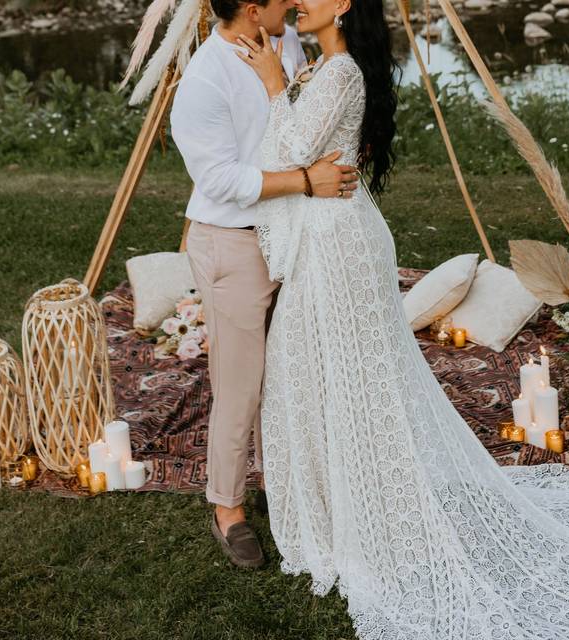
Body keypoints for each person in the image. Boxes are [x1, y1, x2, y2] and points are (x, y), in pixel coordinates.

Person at [235, 0, 569, 636]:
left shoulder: (343, 71)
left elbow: (291, 150)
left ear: (345, 5)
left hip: (339, 245)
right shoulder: (316, 68)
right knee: (310, 365)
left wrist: (273, 89)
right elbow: (285, 161)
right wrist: (283, 98)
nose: (297, 0)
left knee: (356, 373)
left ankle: (374, 504)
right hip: (320, 240)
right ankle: (336, 504)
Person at [169, 0, 361, 569]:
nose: (296, 2)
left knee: (296, 368)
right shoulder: (203, 80)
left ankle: (296, 484)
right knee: (241, 380)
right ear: (253, 9)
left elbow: (300, 122)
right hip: (235, 243)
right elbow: (221, 180)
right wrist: (307, 180)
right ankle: (227, 507)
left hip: (299, 238)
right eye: (282, 0)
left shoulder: (288, 42)